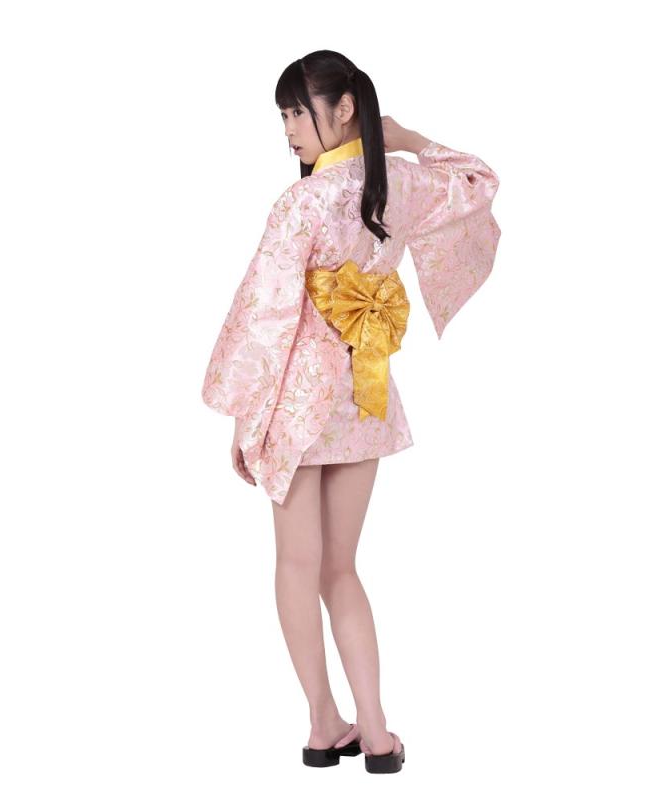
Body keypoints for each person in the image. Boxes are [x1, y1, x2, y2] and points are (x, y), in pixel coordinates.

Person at [201, 49, 501, 773]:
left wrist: (245, 418)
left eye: (297, 112)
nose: (287, 128)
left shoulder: (301, 203)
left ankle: (322, 723)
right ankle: (375, 731)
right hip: (363, 394)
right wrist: (406, 138)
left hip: (297, 401)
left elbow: (266, 314)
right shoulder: (396, 182)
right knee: (341, 567)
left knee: (296, 563)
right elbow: (479, 180)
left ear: (342, 109)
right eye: (282, 115)